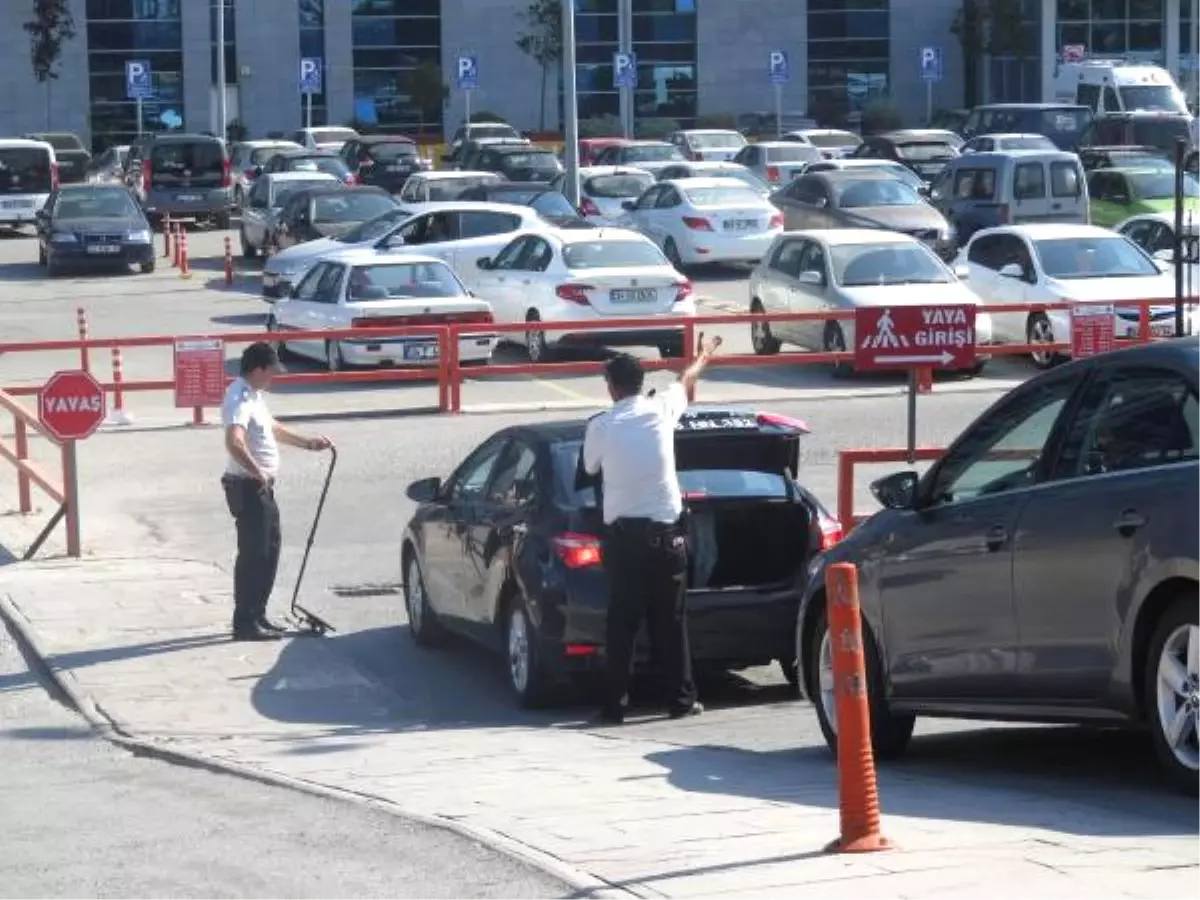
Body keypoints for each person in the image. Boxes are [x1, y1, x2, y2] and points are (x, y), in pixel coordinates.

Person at [583, 335, 723, 724]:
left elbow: (590, 468)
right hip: (668, 539)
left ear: (612, 388)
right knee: (671, 623)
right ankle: (680, 701)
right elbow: (686, 376)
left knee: (621, 626)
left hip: (625, 543)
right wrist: (705, 355)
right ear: (642, 384)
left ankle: (614, 707)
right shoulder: (662, 408)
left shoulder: (601, 426)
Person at [221, 342, 333, 641]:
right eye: (271, 371)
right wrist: (258, 473)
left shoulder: (255, 396)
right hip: (249, 486)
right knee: (254, 555)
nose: (274, 378)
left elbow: (274, 429)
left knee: (269, 551)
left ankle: (258, 615)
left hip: (260, 486)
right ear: (257, 369)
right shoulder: (240, 398)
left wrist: (308, 443)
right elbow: (234, 441)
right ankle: (245, 622)